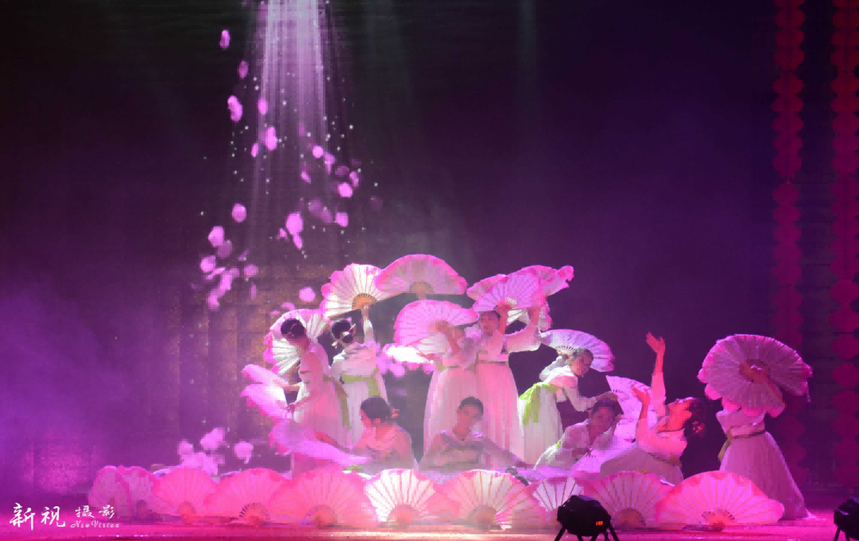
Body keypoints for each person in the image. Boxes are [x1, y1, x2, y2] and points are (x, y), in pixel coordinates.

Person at [599, 333, 705, 485]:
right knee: (607, 470)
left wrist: (645, 405)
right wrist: (660, 356)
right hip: (637, 458)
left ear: (688, 414)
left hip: (658, 476)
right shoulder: (664, 419)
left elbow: (643, 442)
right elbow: (657, 394)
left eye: (683, 402)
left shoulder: (679, 442)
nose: (677, 399)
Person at [716, 361, 808, 519]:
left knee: (763, 478)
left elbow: (774, 409)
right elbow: (727, 417)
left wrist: (762, 382)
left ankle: (765, 509)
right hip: (737, 444)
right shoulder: (731, 390)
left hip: (757, 441)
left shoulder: (762, 389)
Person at [463, 303, 541, 459]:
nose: (485, 322)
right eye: (482, 319)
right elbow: (493, 348)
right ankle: (486, 460)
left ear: (497, 321)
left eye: (490, 318)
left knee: (505, 418)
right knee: (487, 418)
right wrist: (504, 321)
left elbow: (527, 339)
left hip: (504, 382)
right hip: (484, 382)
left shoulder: (505, 339)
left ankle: (506, 459)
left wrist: (534, 317)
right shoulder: (475, 341)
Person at [273, 318, 349, 475]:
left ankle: (309, 480)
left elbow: (316, 390)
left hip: (316, 403)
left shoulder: (311, 355)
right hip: (322, 397)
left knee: (311, 447)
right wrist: (291, 387)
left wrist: (296, 404)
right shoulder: (314, 348)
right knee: (316, 448)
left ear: (289, 339)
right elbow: (315, 380)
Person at [519, 349, 617, 464]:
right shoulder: (570, 378)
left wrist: (560, 359)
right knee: (545, 438)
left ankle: (530, 465)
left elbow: (543, 375)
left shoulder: (561, 370)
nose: (584, 367)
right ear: (571, 360)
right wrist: (602, 396)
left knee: (531, 435)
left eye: (588, 365)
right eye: (581, 361)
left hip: (534, 400)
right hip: (543, 405)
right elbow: (580, 405)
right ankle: (539, 466)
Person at [420, 397, 525, 483]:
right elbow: (425, 464)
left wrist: (521, 463)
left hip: (475, 482)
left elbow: (501, 454)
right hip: (450, 483)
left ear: (478, 419)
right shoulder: (442, 437)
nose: (469, 419)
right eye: (466, 413)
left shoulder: (480, 438)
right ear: (458, 411)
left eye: (474, 416)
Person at [330, 305, 387, 446]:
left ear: (336, 338)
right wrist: (365, 317)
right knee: (376, 424)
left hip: (353, 395)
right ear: (353, 331)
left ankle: (358, 452)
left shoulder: (339, 361)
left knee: (358, 426)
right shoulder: (370, 349)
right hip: (374, 391)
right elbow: (369, 333)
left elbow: (332, 381)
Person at [318, 396, 415, 476]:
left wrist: (386, 462)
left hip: (393, 478)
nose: (361, 420)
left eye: (363, 418)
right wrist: (332, 443)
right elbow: (355, 452)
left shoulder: (399, 436)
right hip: (374, 473)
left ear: (377, 420)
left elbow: (408, 465)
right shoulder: (369, 431)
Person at [423, 322, 478, 454]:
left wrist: (448, 336)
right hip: (448, 383)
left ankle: (460, 453)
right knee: (445, 416)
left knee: (457, 416)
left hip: (460, 383)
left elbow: (463, 360)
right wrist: (434, 357)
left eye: (450, 328)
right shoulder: (452, 344)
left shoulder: (469, 342)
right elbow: (448, 362)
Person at [534, 398, 626, 472]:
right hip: (555, 466)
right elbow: (559, 456)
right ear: (591, 415)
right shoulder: (575, 431)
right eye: (599, 417)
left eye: (609, 419)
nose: (603, 422)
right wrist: (577, 451)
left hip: (577, 470)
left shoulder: (601, 435)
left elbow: (608, 436)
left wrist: (615, 424)